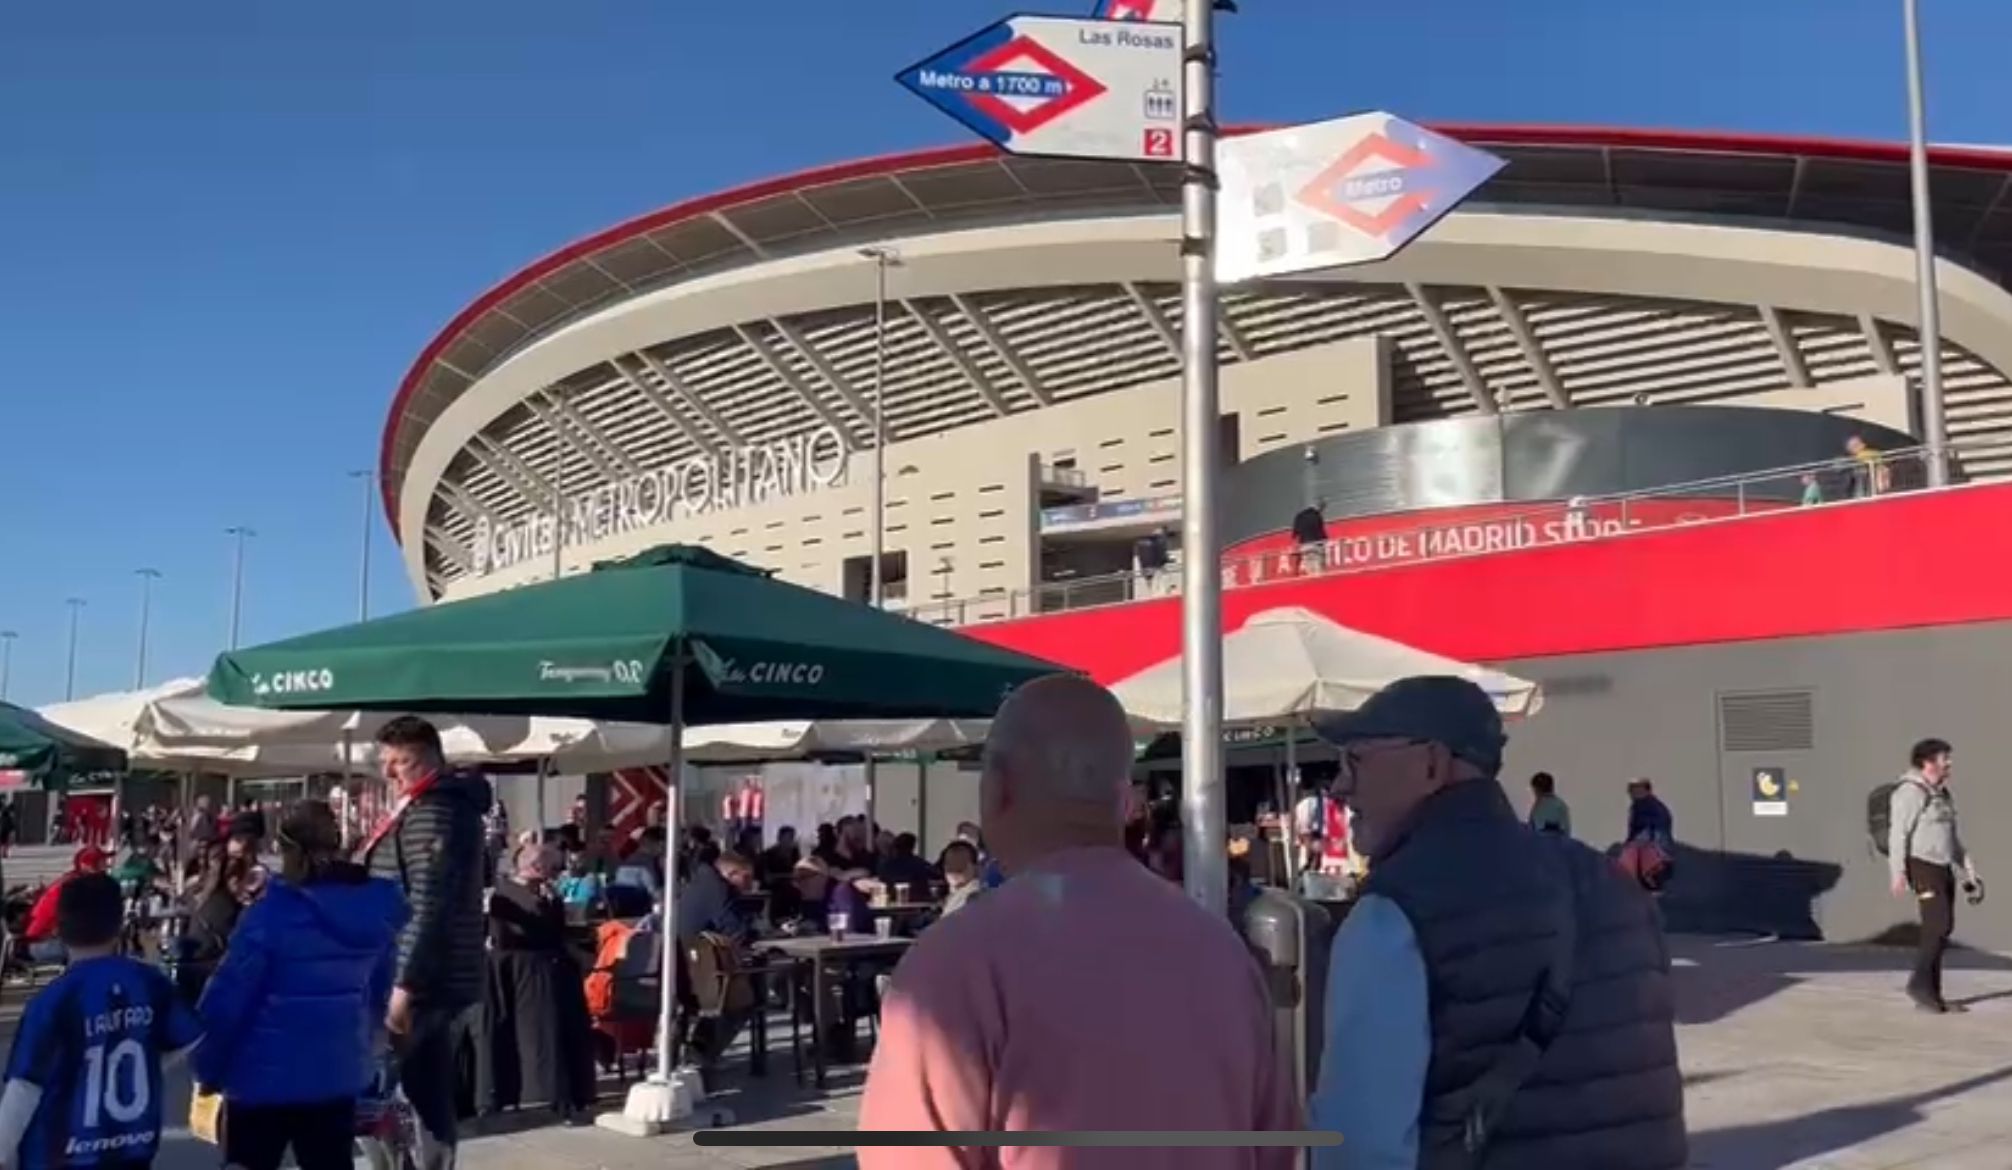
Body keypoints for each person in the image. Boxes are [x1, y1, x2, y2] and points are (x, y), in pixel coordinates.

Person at [859, 675, 1299, 1168]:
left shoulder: (954, 965)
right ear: (1124, 801)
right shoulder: (1222, 950)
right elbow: (1277, 1146)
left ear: (998, 787)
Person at [1310, 676, 1686, 1170]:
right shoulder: (1613, 884)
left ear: (1431, 764)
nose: (1339, 787)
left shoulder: (1396, 911)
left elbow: (1360, 1146)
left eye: (1355, 760)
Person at [193, 801, 408, 1170]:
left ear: (286, 849)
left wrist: (208, 1068)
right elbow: (377, 995)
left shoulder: (270, 916)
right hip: (335, 1073)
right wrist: (366, 1053)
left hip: (261, 1077)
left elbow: (228, 1001)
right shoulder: (373, 912)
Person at [0, 873, 204, 1170]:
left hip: (60, 1155)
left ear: (59, 929)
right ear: (120, 924)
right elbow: (190, 1036)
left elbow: (24, 1088)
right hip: (132, 1150)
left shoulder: (54, 1001)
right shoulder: (149, 983)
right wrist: (149, 1061)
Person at [364, 715, 493, 1170]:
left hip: (422, 978)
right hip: (424, 972)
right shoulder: (426, 805)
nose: (389, 772)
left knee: (378, 1091)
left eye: (401, 761)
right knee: (420, 1087)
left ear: (431, 759)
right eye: (386, 761)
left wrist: (404, 985)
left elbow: (428, 904)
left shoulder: (436, 812)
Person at [481, 844, 597, 1123]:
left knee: (560, 1033)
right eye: (549, 866)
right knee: (531, 1035)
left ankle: (566, 1093)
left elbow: (556, 929)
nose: (553, 872)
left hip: (551, 969)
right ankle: (528, 1094)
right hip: (522, 971)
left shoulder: (546, 892)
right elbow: (513, 933)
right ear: (532, 866)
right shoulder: (503, 895)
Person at [1887, 737, 1983, 1014]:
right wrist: (1898, 873)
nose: (1949, 763)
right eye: (1944, 758)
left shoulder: (1942, 794)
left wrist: (1969, 871)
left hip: (1943, 867)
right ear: (1927, 762)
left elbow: (1952, 838)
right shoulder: (1909, 792)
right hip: (1921, 865)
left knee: (1942, 929)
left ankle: (1932, 995)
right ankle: (1919, 986)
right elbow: (1898, 835)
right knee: (1937, 926)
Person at [20, 846, 110, 966]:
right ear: (87, 866)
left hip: (40, 942)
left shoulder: (76, 880)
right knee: (93, 948)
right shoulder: (75, 887)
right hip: (41, 945)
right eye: (101, 863)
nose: (106, 866)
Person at [935, 840, 984, 917]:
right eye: (949, 864)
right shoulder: (952, 896)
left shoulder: (973, 895)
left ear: (975, 867)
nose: (954, 870)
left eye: (961, 865)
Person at [1528, 771, 1572, 836]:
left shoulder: (1538, 807)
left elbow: (1533, 830)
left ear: (1537, 790)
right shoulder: (1561, 805)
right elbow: (1566, 831)